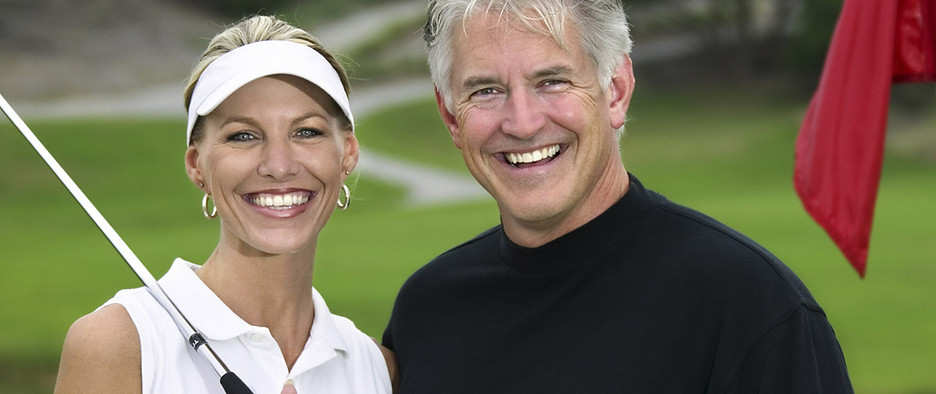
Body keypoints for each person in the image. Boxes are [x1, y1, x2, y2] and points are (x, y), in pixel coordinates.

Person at [382, 0, 854, 392]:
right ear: (450, 117)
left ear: (616, 91)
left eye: (552, 81)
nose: (522, 123)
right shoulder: (429, 309)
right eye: (486, 90)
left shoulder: (751, 307)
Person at [54, 15, 397, 393]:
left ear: (347, 154)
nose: (278, 166)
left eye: (306, 132)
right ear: (196, 164)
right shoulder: (119, 343)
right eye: (243, 136)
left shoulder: (374, 366)